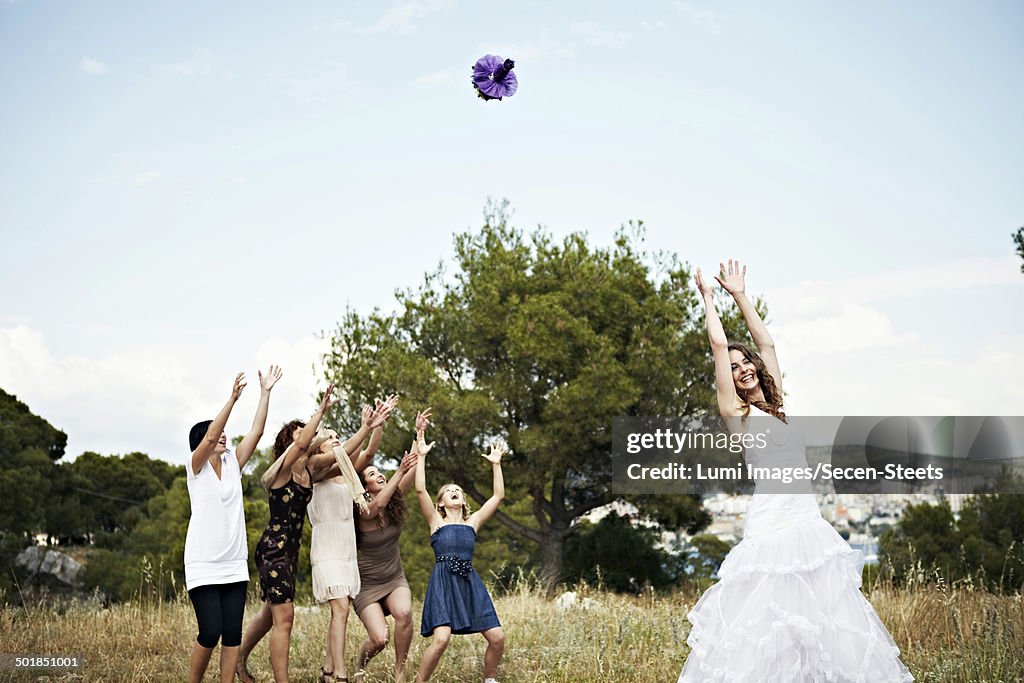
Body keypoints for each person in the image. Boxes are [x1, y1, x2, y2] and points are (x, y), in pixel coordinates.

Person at [677, 260, 913, 682]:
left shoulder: (777, 405)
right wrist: (710, 300)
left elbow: (766, 345)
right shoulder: (738, 414)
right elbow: (717, 346)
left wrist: (741, 295)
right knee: (768, 623)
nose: (742, 368)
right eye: (734, 368)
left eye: (744, 362)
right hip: (771, 521)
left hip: (806, 519)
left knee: (821, 619)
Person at [183, 366, 282, 683]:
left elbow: (256, 432)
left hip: (233, 564)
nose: (223, 434)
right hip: (203, 563)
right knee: (210, 631)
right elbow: (213, 433)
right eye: (216, 432)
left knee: (232, 633)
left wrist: (264, 393)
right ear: (202, 442)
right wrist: (232, 399)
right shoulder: (196, 468)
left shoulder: (233, 463)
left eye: (223, 430)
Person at [236, 383, 337, 683]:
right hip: (273, 551)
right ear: (289, 444)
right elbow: (304, 443)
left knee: (271, 613)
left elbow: (349, 457)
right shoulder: (280, 471)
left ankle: (238, 658)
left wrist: (368, 427)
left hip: (290, 553)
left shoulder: (309, 471)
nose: (306, 435)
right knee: (285, 617)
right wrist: (320, 411)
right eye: (299, 433)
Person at [305, 397, 401, 683]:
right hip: (326, 548)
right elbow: (349, 451)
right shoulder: (316, 470)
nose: (335, 440)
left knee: (341, 612)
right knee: (341, 609)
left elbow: (368, 452)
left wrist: (377, 425)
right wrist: (363, 427)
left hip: (346, 550)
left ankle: (327, 670)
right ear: (318, 445)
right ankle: (341, 675)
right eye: (330, 437)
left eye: (337, 437)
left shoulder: (347, 476)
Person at [413, 424, 507, 683]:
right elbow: (420, 490)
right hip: (443, 582)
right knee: (441, 639)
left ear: (464, 501)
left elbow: (498, 495)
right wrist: (421, 456)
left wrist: (496, 464)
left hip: (468, 581)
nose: (455, 492)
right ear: (441, 502)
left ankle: (489, 679)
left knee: (497, 637)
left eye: (459, 491)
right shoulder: (436, 522)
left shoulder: (472, 522)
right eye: (449, 491)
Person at [352, 408, 431, 682]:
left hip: (394, 578)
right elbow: (377, 506)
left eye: (380, 472)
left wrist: (417, 431)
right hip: (367, 585)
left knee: (405, 614)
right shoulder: (362, 510)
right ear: (364, 485)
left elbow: (410, 464)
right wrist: (398, 472)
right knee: (379, 638)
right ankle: (359, 667)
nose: (380, 475)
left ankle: (400, 673)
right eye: (373, 474)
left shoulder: (394, 500)